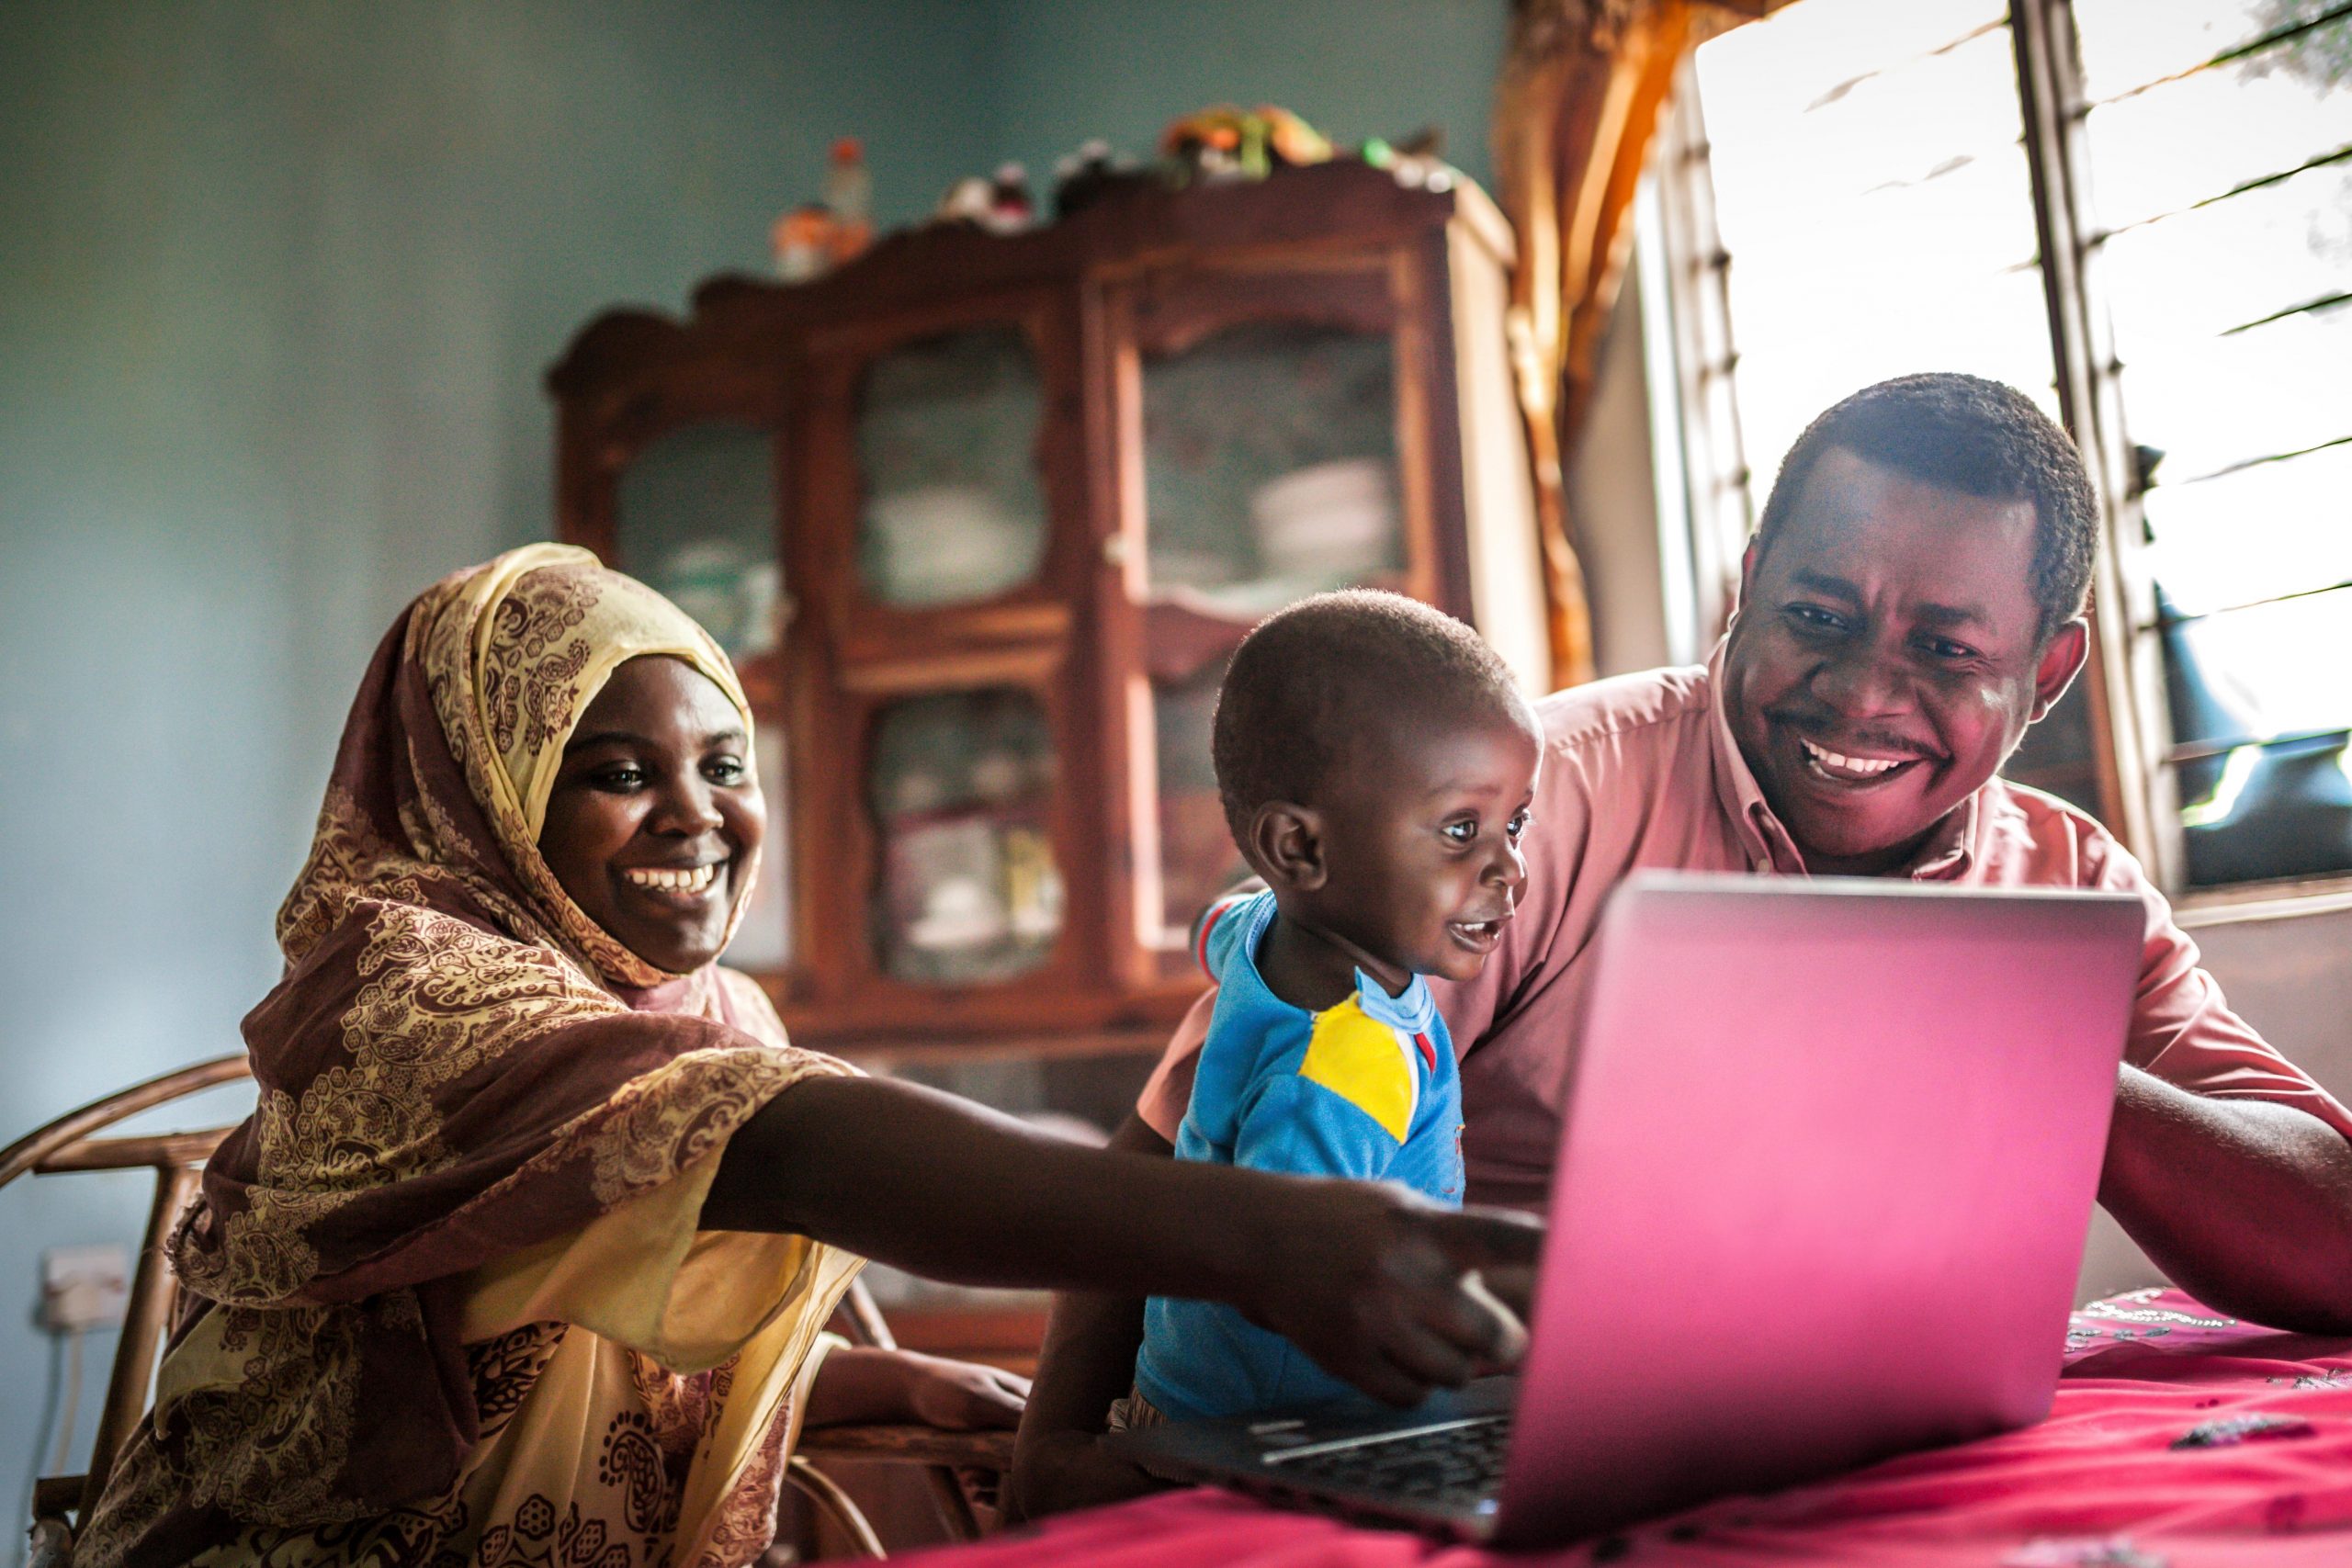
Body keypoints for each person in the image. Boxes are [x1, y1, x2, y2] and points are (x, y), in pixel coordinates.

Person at [1012, 373, 2352, 1518]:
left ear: (2047, 675)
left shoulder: (2071, 886)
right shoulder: (1537, 802)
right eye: (1818, 615)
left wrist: (2034, 1054)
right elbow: (1178, 1137)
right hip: (1449, 1428)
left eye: (1945, 649)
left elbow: (2329, 1235)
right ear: (1750, 576)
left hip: (1850, 1471)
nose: (1863, 690)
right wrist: (1056, 1456)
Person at [75, 545, 1537, 1568]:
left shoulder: (710, 1012)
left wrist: (898, 1389)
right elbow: (770, 1134)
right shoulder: (411, 1001)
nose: (696, 815)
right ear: (485, 792)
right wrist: (1262, 1239)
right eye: (618, 771)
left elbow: (586, 1341)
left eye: (724, 762)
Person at [1129, 592, 1543, 1424]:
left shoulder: (1270, 925)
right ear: (1300, 848)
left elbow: (1217, 928)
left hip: (1204, 1392)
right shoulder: (1343, 1071)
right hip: (1270, 1429)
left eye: (1516, 822)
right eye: (1462, 831)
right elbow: (1287, 1277)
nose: (1511, 870)